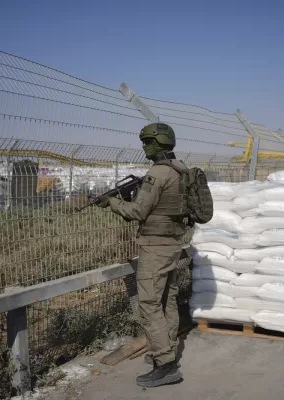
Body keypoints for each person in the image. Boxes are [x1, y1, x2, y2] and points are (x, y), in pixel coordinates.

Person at [95, 122, 185, 387]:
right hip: (173, 242)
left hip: (155, 246)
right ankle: (166, 351)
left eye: (147, 141)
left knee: (148, 304)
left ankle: (166, 365)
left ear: (158, 143)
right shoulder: (180, 168)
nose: (144, 146)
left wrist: (111, 202)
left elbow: (138, 212)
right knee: (167, 299)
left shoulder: (157, 172)